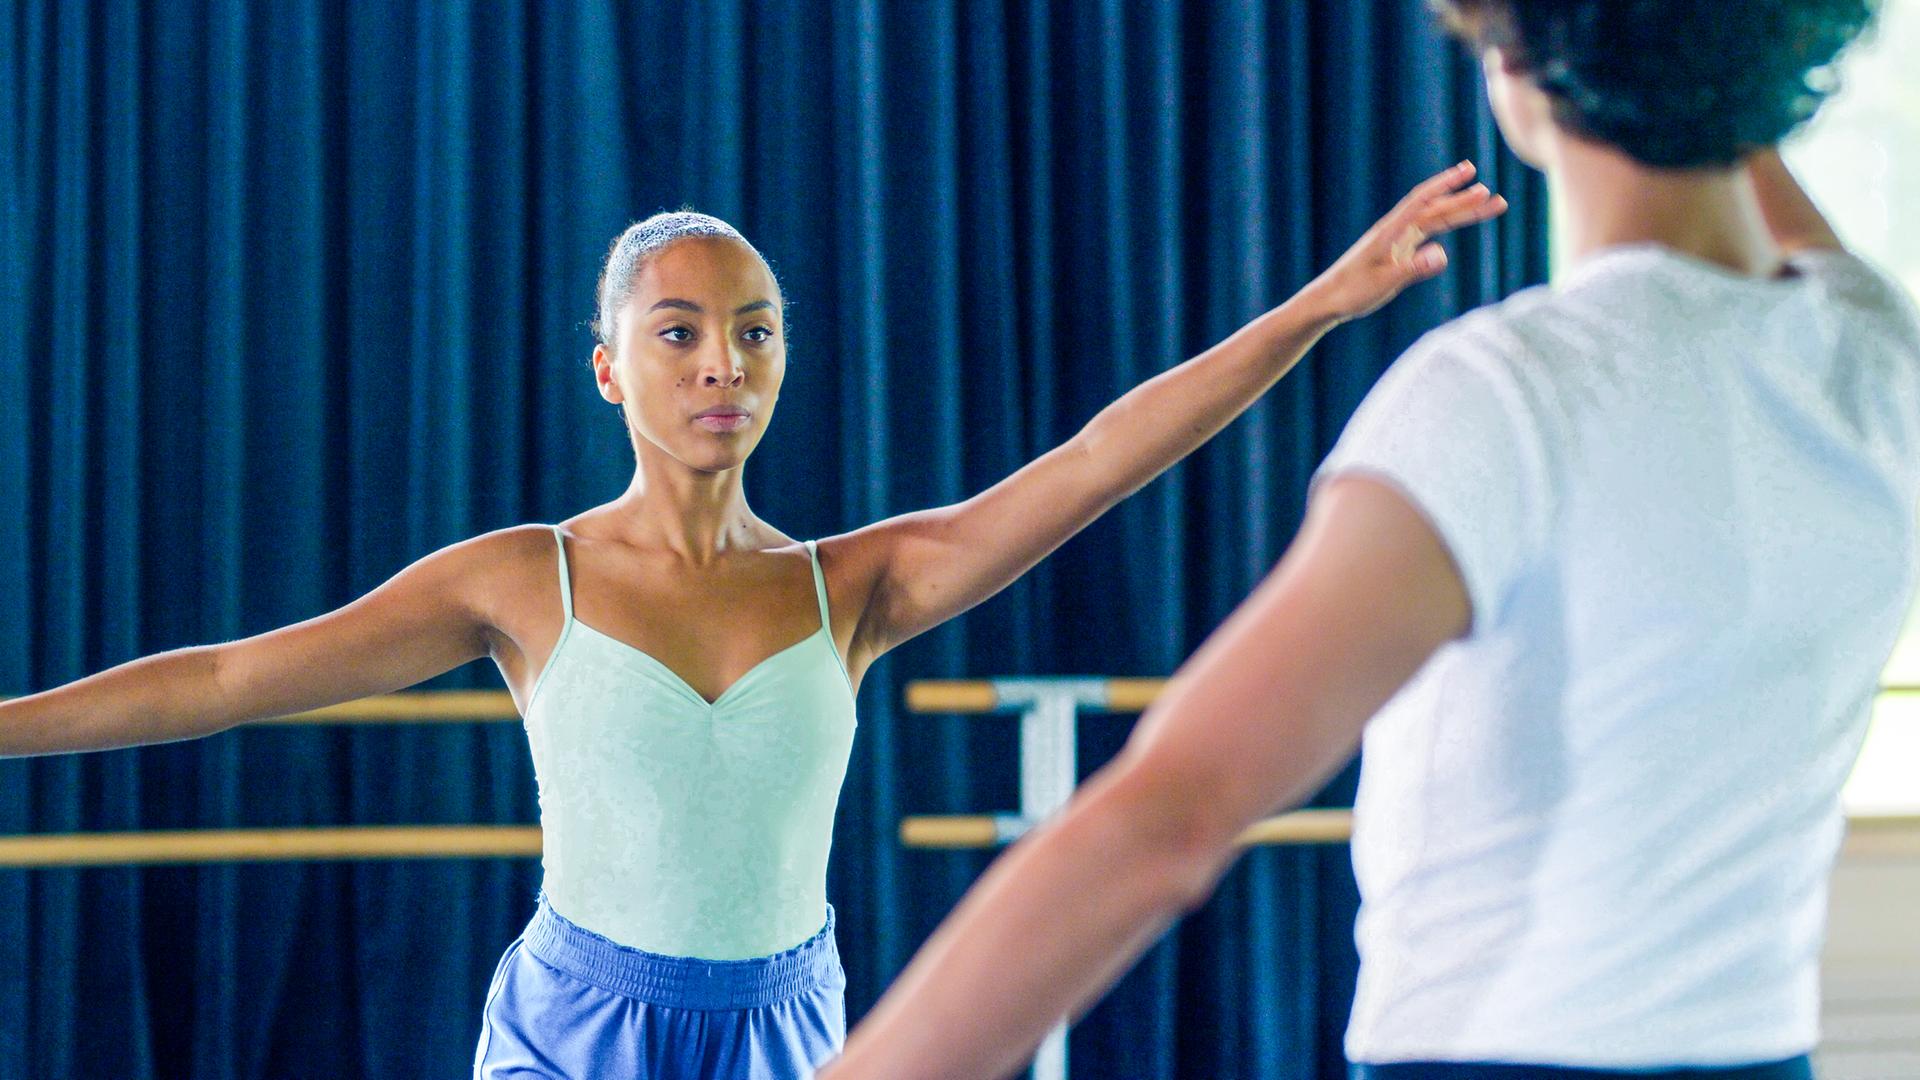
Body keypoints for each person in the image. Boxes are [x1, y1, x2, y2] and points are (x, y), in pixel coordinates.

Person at [0, 168, 1503, 1078]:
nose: (723, 362)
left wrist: (1323, 302)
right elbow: (231, 673)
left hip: (792, 1022)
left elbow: (1104, 455)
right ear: (610, 370)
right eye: (680, 333)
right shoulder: (526, 582)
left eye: (754, 331)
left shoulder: (854, 585)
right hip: (575, 1025)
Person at [821, 3, 1916, 1079]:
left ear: (1517, 63)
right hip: (1761, 1053)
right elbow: (1748, 163)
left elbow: (1171, 814)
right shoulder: (1879, 368)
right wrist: (1719, 56)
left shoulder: (1512, 395)